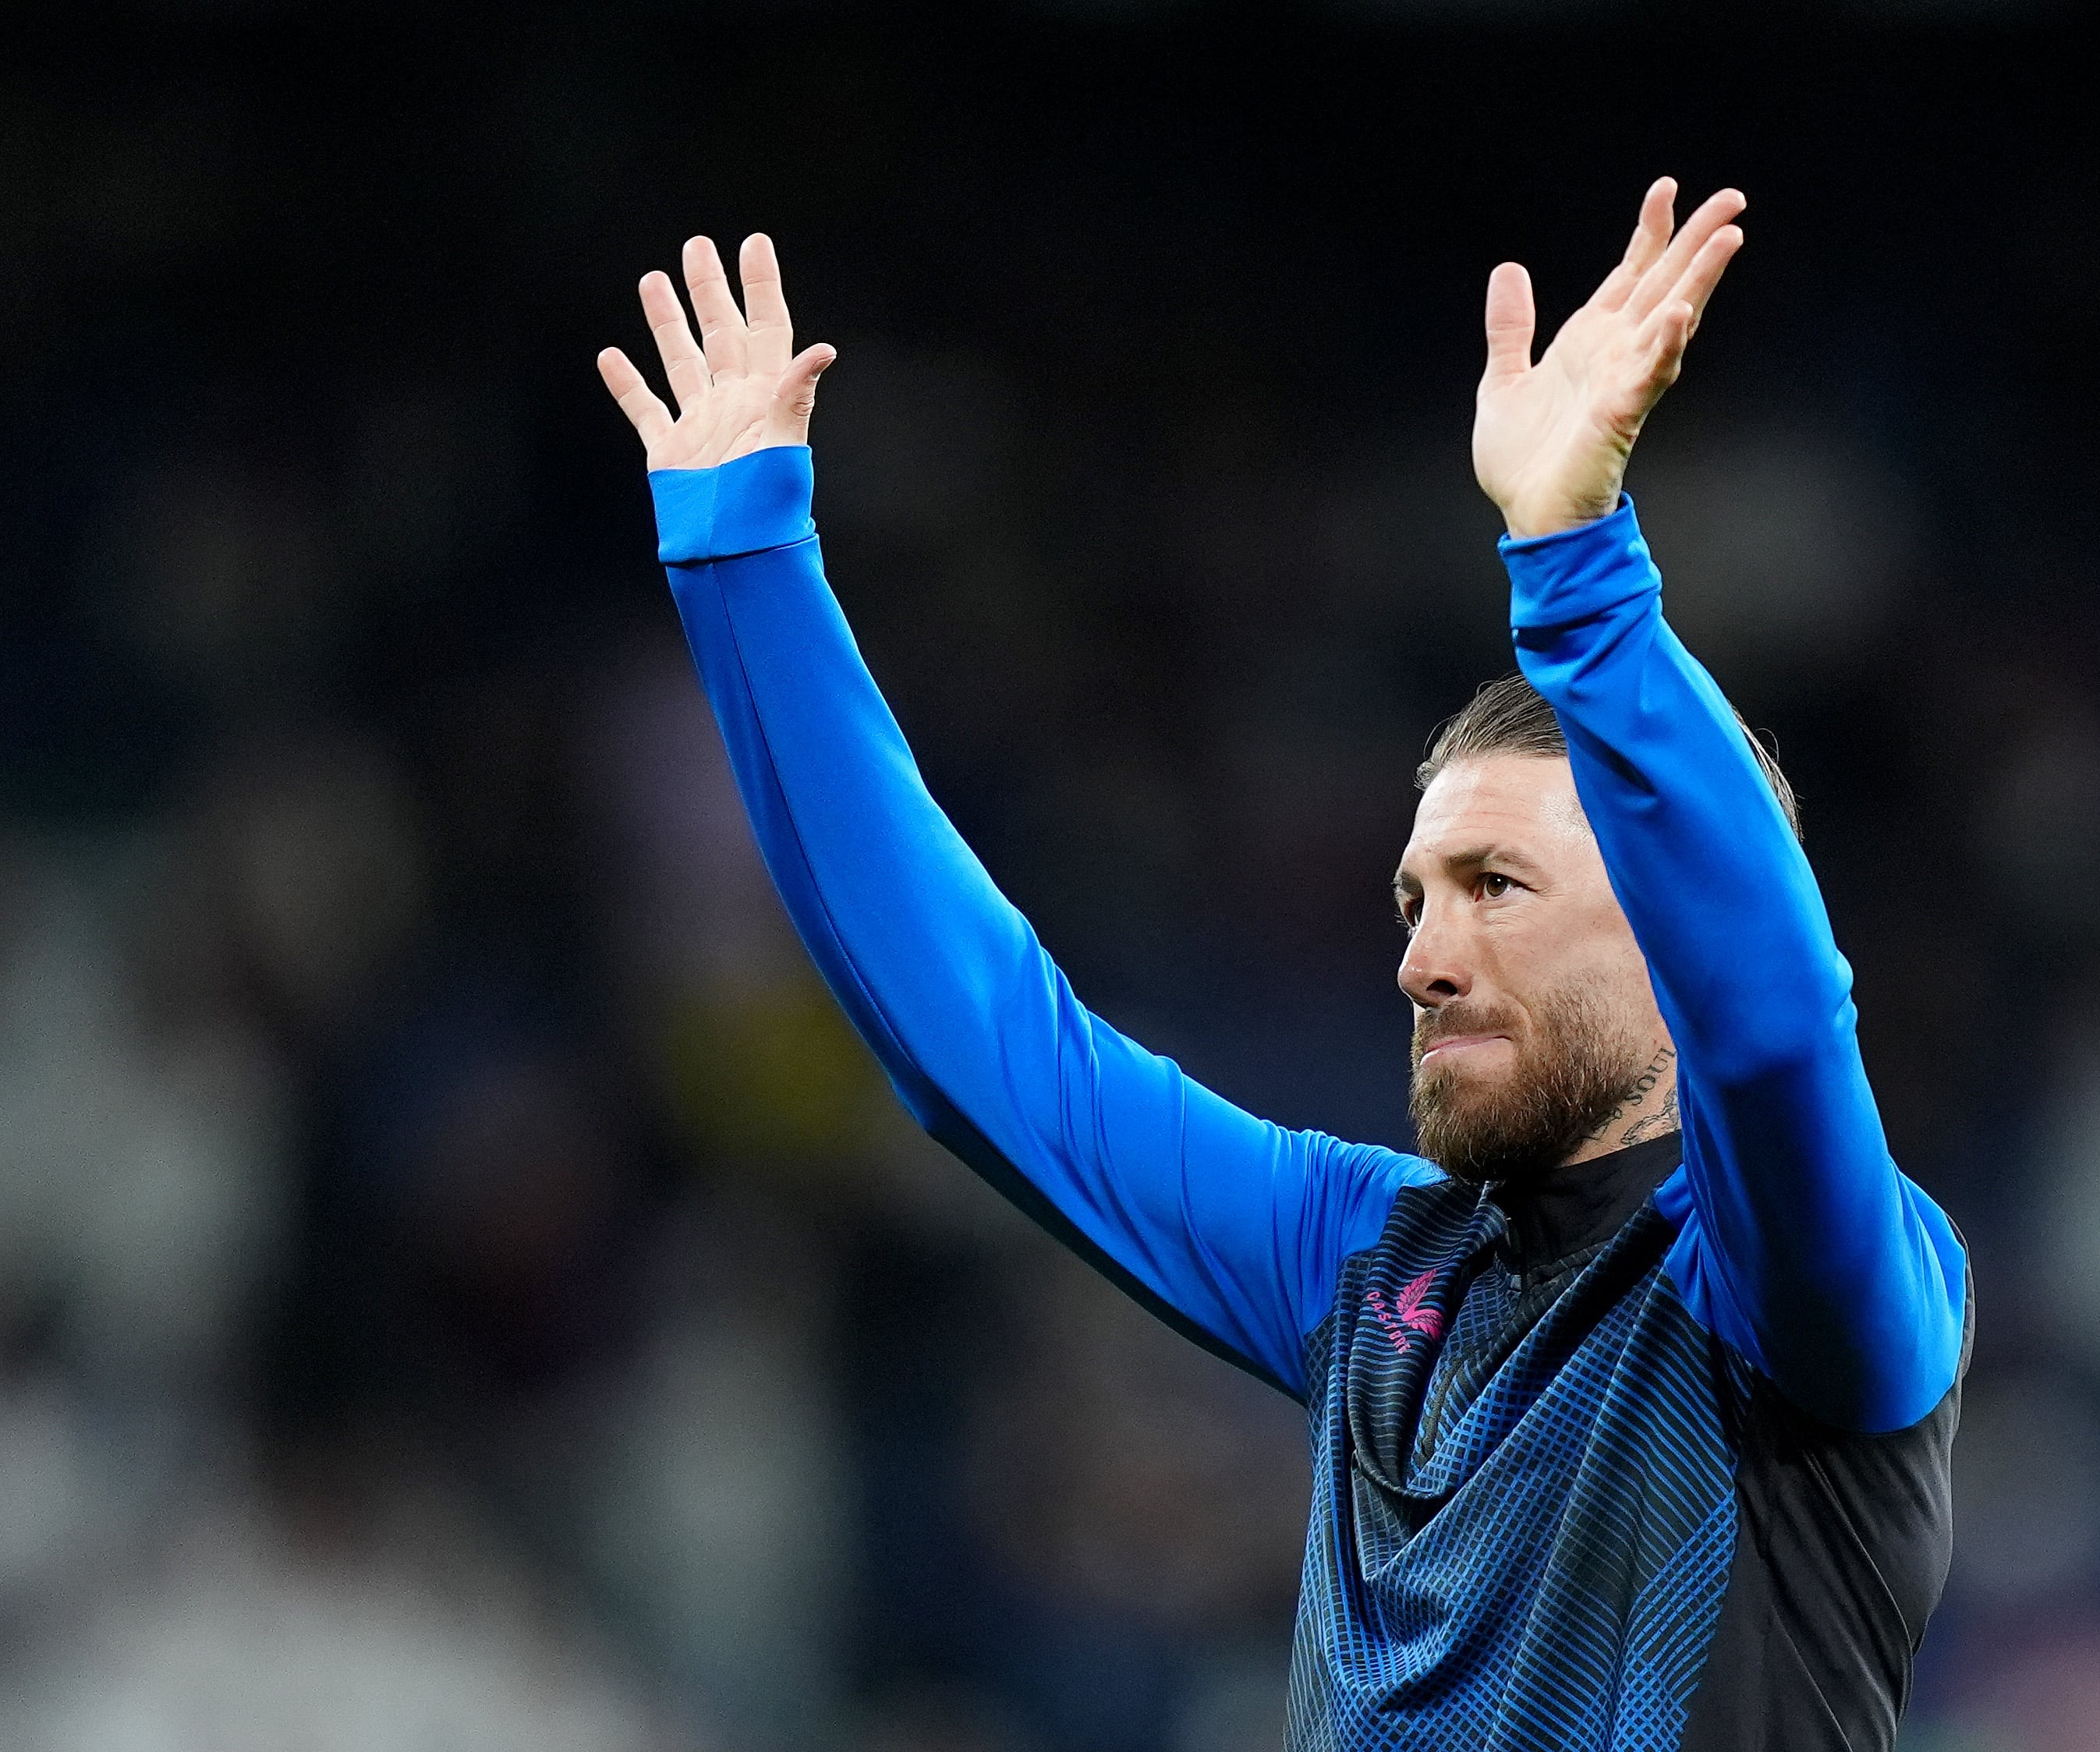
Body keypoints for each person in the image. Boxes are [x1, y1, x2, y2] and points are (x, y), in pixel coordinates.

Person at [597, 179, 1970, 1752]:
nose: (1427, 957)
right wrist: (747, 555)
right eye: (1413, 898)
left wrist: (1580, 566)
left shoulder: (1806, 1309)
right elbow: (991, 1045)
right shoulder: (1371, 1261)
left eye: (1497, 887)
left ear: (1668, 922)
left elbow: (1780, 1028)